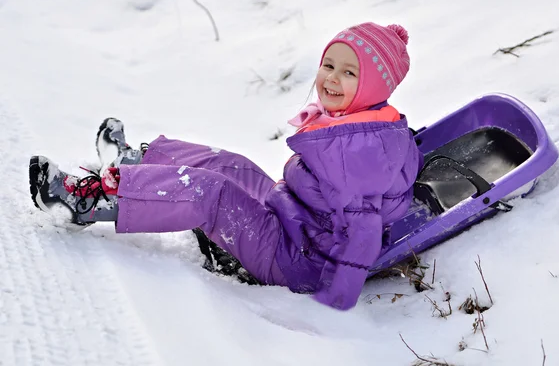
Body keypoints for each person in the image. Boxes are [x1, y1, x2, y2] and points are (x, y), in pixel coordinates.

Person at [29, 22, 422, 310]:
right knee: (232, 164)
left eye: (349, 73)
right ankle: (137, 164)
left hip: (296, 261)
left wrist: (335, 299)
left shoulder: (361, 156)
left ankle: (88, 203)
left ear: (373, 86)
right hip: (293, 219)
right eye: (329, 65)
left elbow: (364, 229)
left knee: (211, 192)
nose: (331, 79)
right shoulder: (366, 121)